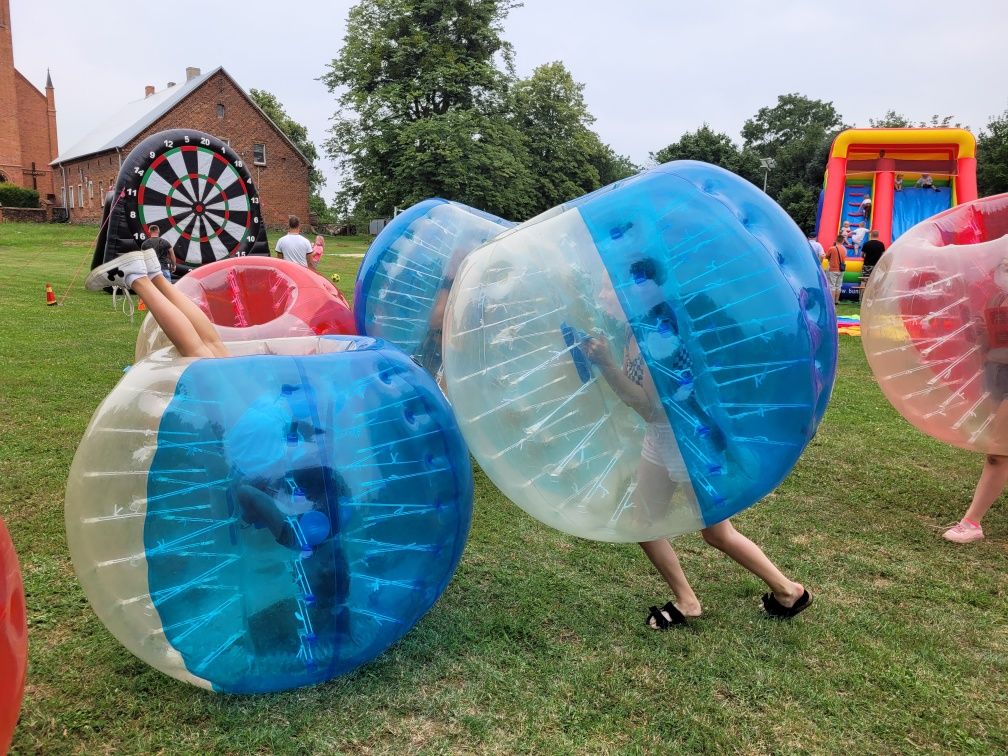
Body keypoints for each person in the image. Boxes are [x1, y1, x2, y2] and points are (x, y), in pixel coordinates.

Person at [581, 296, 812, 628]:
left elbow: (649, 406)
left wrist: (605, 364)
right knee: (643, 524)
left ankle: (788, 590)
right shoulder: (634, 329)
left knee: (716, 532)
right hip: (662, 436)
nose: (601, 295)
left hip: (686, 439)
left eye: (607, 288)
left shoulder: (660, 335)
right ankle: (690, 600)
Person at [945, 257, 1008, 543]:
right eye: (1003, 261)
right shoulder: (998, 295)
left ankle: (972, 522)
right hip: (996, 371)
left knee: (998, 450)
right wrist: (977, 331)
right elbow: (988, 342)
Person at [825, 234, 845, 304]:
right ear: (843, 241)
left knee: (832, 285)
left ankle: (832, 301)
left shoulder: (832, 248)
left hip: (833, 269)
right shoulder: (844, 249)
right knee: (838, 285)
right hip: (841, 270)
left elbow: (826, 257)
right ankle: (837, 300)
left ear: (836, 240)